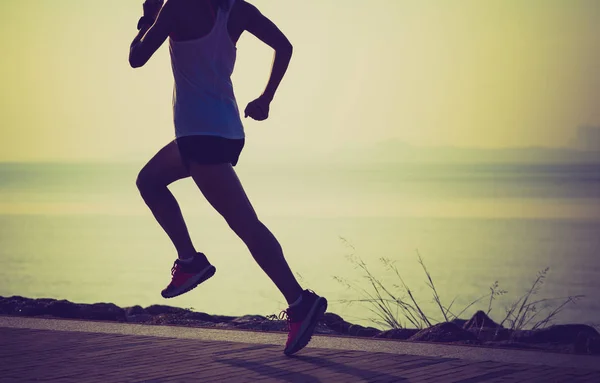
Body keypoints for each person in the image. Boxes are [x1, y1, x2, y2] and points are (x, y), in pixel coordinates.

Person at [129, 0, 327, 356]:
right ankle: (190, 261)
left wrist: (148, 17)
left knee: (246, 225)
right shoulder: (238, 10)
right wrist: (266, 99)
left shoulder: (175, 8)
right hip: (222, 130)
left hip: (200, 136)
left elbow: (137, 57)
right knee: (150, 181)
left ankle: (299, 302)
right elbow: (285, 46)